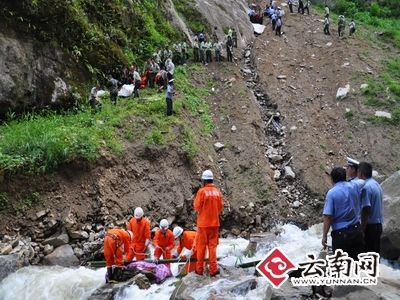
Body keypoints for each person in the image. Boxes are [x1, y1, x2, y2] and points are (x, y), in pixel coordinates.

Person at [322, 167, 364, 260]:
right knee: (357, 265)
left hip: (341, 235)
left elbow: (328, 217)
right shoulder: (354, 186)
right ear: (345, 177)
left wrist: (324, 236)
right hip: (356, 230)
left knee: (341, 267)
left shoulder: (332, 193)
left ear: (332, 179)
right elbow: (363, 181)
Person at [194, 170, 224, 276]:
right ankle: (213, 269)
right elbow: (220, 207)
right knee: (212, 247)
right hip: (215, 224)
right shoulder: (217, 192)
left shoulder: (202, 192)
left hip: (203, 224)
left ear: (204, 180)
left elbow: (196, 207)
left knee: (201, 246)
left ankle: (199, 269)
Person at [358, 162, 383, 254]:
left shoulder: (366, 187)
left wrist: (362, 229)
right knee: (375, 256)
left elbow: (366, 209)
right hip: (378, 225)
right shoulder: (376, 184)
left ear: (361, 173)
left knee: (367, 257)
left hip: (370, 227)